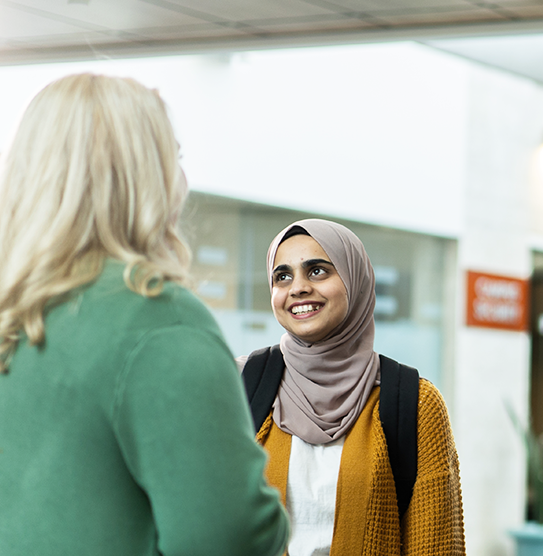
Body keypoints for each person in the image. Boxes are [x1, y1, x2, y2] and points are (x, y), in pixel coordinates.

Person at [0, 73, 289, 556]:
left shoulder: (15, 312)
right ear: (144, 176)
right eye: (172, 158)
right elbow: (230, 536)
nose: (182, 181)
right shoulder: (158, 320)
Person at [239, 218, 465, 556]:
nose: (298, 287)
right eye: (282, 276)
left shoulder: (416, 403)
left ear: (354, 280)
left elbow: (436, 547)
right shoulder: (240, 386)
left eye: (317, 271)